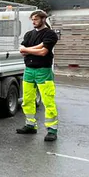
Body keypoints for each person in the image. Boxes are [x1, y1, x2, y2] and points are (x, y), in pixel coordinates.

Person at [16, 10, 59, 141]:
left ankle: (52, 130)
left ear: (43, 19)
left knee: (48, 100)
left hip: (43, 71)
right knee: (27, 99)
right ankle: (30, 125)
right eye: (32, 19)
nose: (33, 22)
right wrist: (36, 48)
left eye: (36, 19)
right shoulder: (29, 34)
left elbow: (43, 52)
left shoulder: (50, 34)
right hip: (29, 70)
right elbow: (22, 51)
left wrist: (27, 49)